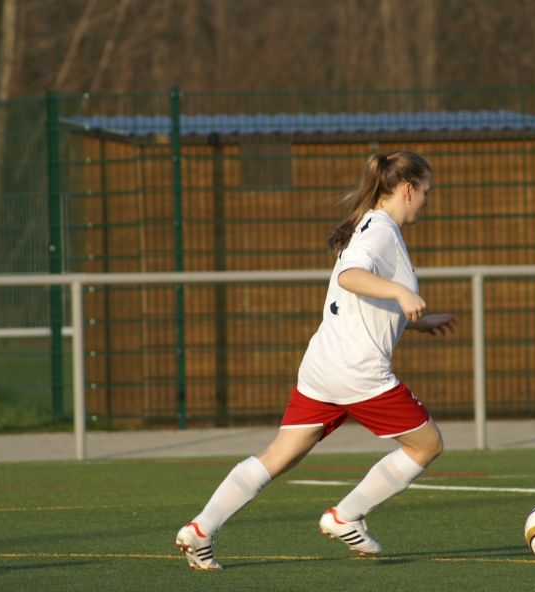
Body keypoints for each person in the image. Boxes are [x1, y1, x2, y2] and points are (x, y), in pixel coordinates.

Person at [175, 151, 457, 570]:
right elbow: (350, 277)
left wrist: (418, 320)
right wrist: (401, 292)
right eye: (427, 191)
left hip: (323, 365)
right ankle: (347, 515)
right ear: (408, 189)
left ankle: (201, 529)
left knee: (279, 455)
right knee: (427, 444)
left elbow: (362, 303)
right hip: (357, 371)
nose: (428, 201)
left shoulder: (370, 224)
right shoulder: (381, 231)